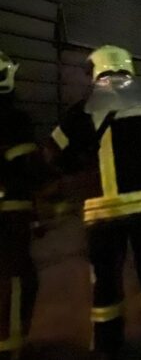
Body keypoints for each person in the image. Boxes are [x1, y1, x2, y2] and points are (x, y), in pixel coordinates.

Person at [46, 46, 141, 359]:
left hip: (105, 211)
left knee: (106, 280)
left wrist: (73, 168)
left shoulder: (84, 110)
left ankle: (108, 343)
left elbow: (53, 151)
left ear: (96, 72)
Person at [0, 51, 47, 360]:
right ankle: (9, 346)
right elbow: (30, 171)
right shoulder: (16, 121)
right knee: (17, 277)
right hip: (10, 211)